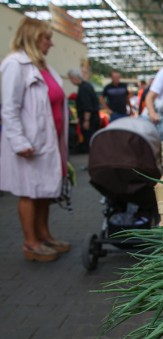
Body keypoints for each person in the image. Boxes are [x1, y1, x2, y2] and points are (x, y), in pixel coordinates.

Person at [0, 17, 70, 262]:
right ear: (32, 38)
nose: (51, 43)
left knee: (44, 191)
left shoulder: (43, 67)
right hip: (30, 144)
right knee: (29, 192)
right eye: (47, 38)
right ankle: (31, 243)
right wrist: (18, 141)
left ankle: (44, 235)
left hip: (50, 141)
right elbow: (8, 107)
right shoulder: (14, 65)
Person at [67, 68, 100, 152]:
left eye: (70, 78)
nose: (70, 81)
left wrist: (86, 120)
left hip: (90, 119)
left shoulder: (83, 89)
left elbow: (87, 106)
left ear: (75, 78)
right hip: (94, 118)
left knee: (89, 141)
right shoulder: (87, 86)